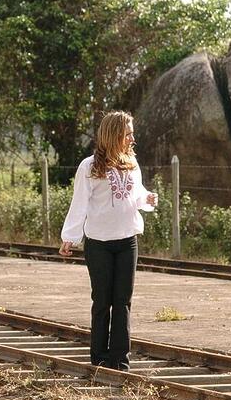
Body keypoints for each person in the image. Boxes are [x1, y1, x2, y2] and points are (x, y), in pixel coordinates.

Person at [59, 111, 158, 372]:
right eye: (128, 133)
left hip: (127, 241)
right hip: (99, 243)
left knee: (123, 301)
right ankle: (100, 359)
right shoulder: (89, 166)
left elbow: (134, 196)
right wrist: (70, 237)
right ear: (114, 135)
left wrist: (147, 199)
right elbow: (79, 204)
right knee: (102, 301)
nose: (132, 138)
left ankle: (120, 361)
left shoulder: (132, 164)